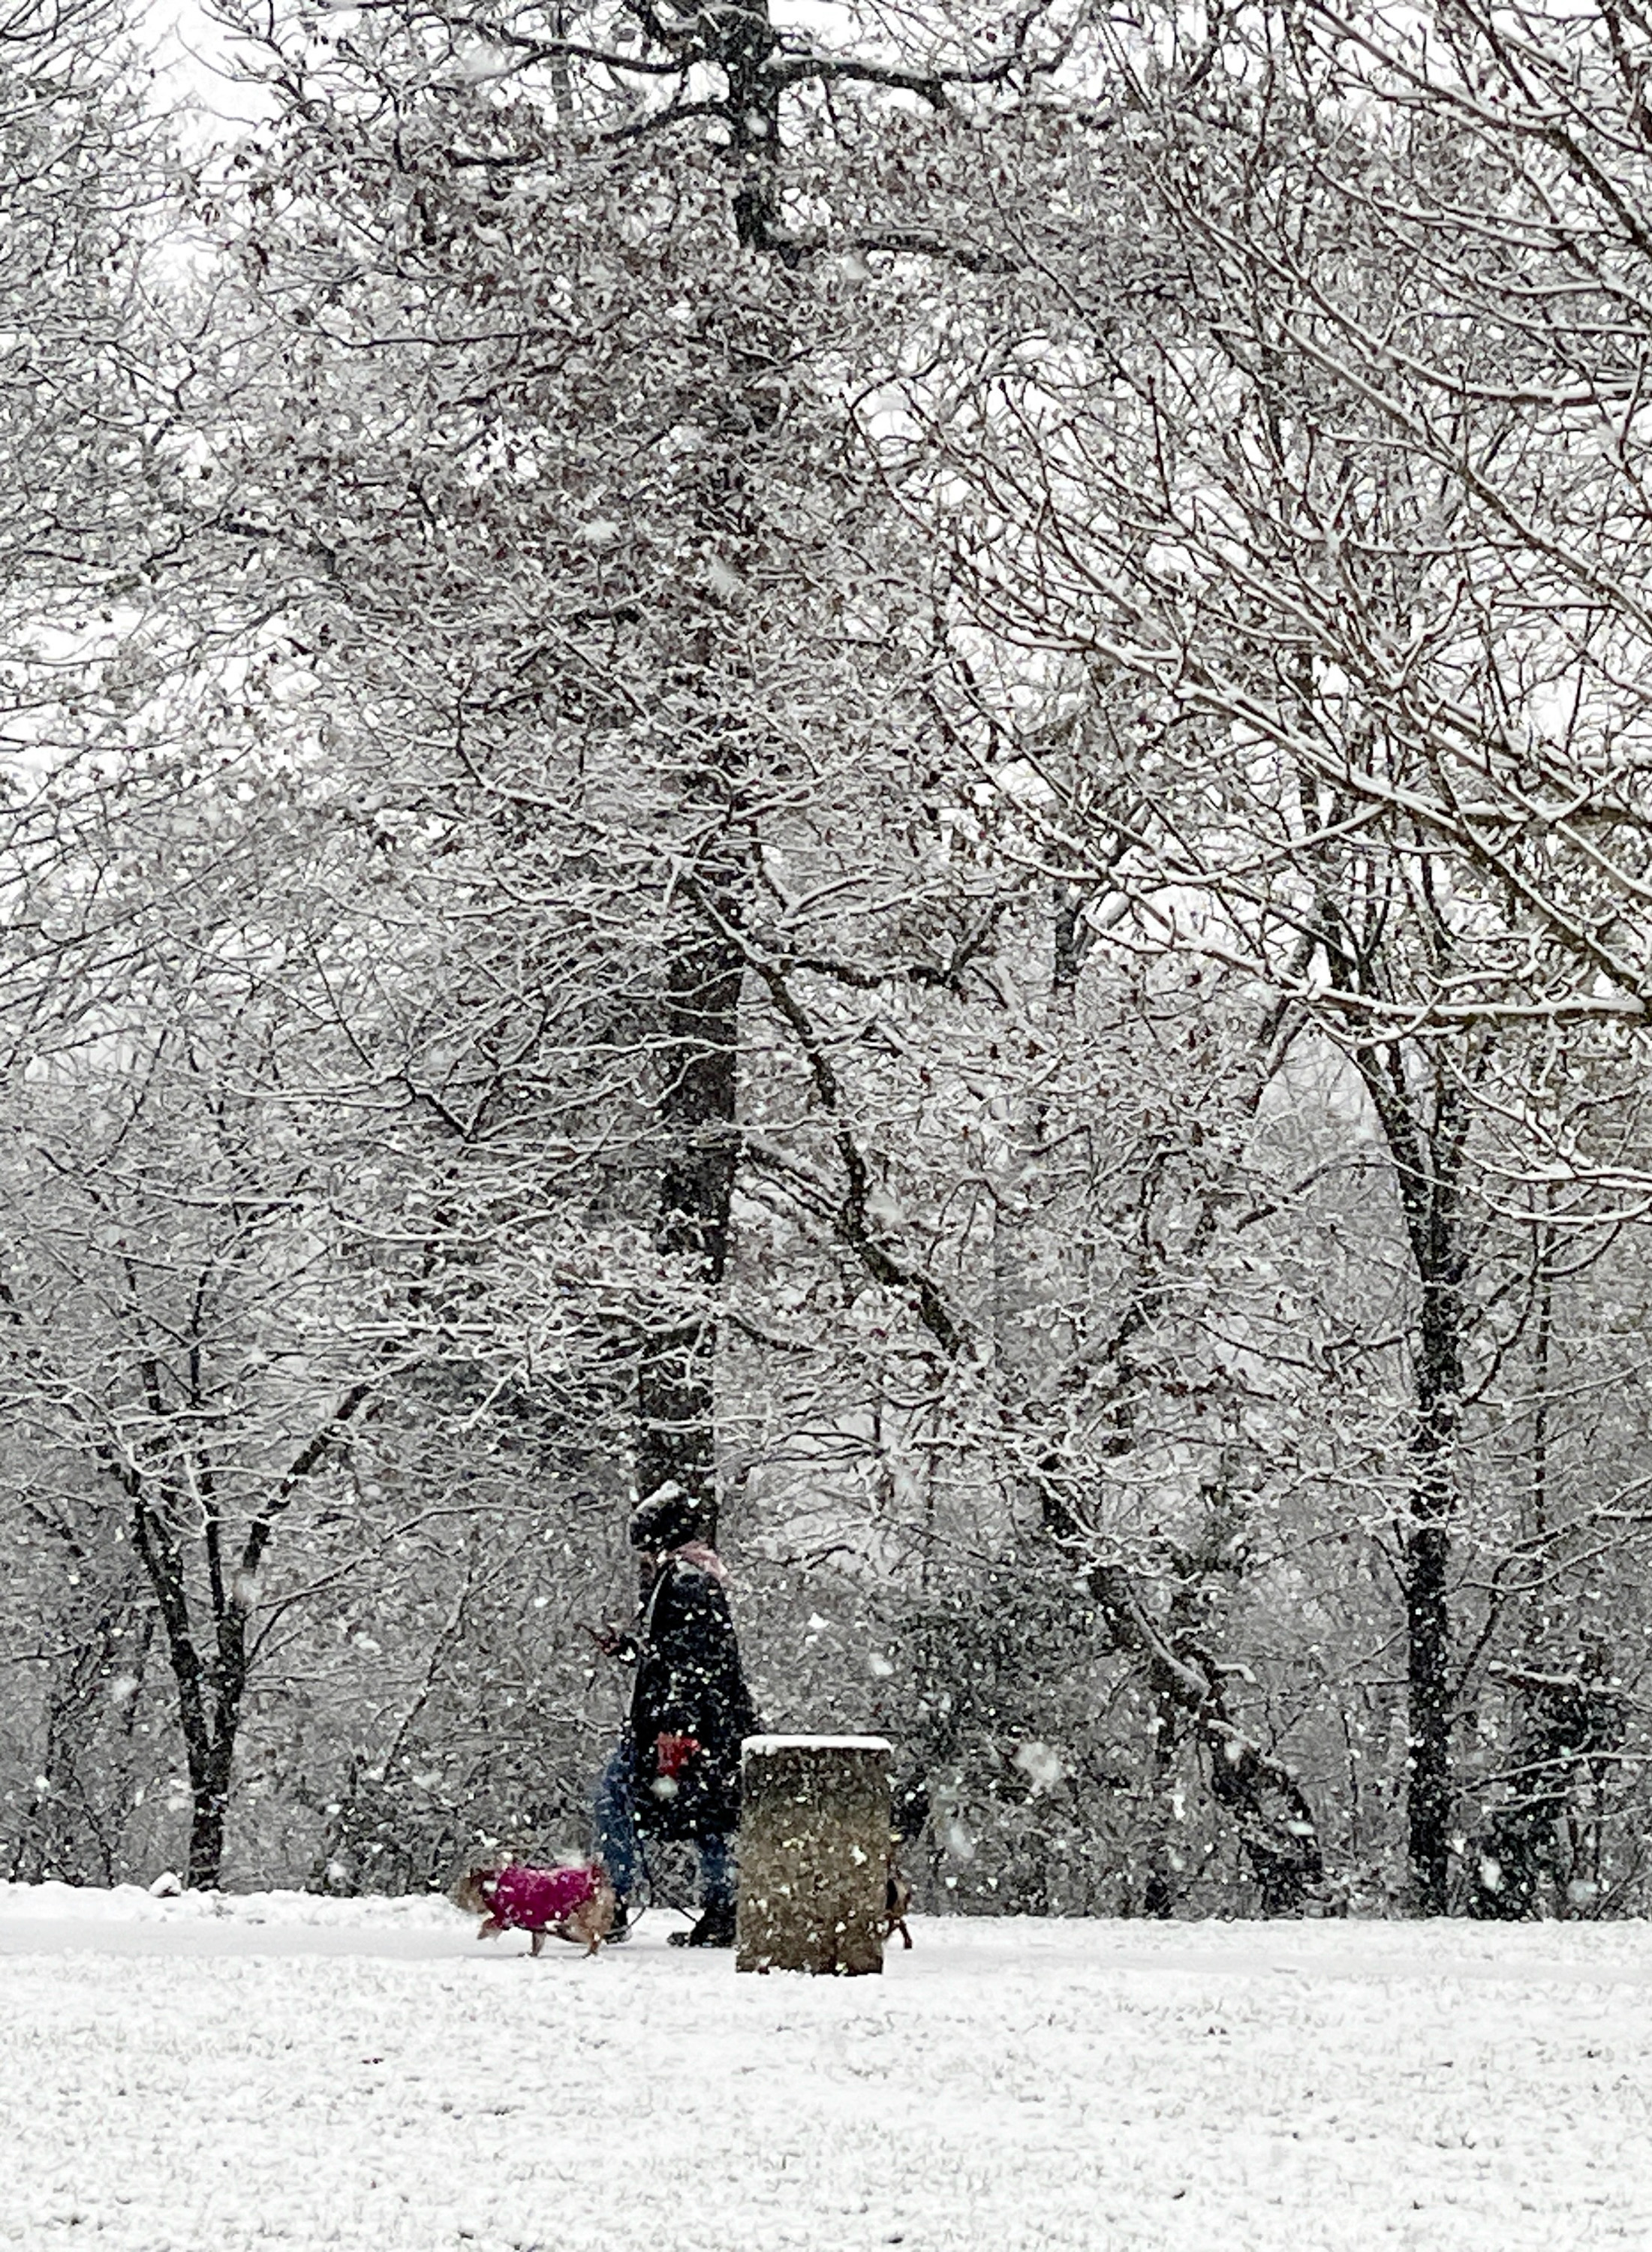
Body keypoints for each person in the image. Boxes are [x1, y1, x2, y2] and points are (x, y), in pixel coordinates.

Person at [591, 1484, 759, 1948]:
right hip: (707, 1725)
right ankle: (723, 1906)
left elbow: (690, 1665)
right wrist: (629, 1651)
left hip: (681, 1727)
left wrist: (674, 1731)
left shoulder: (686, 1582)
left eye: (646, 1548)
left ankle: (613, 1904)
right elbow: (675, 1657)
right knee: (709, 1815)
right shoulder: (689, 1576)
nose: (643, 1557)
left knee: (618, 1799)